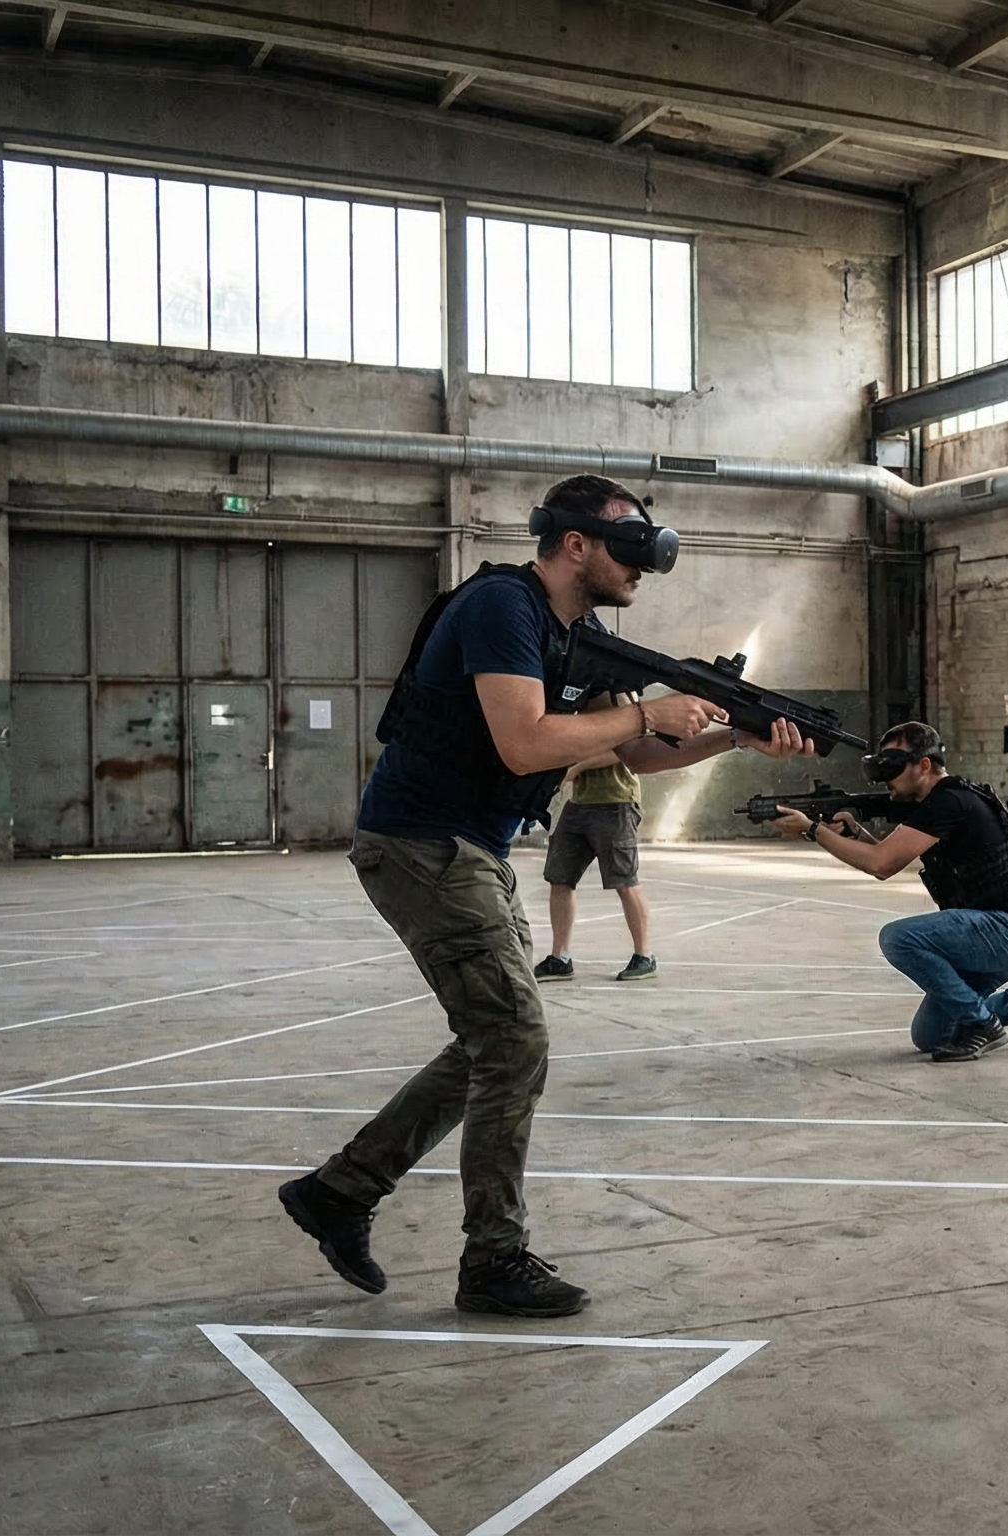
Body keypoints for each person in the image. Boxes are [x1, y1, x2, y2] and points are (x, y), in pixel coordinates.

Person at [275, 474, 809, 1319]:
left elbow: (631, 757)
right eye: (628, 549)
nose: (642, 569)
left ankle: (340, 1191)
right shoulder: (503, 609)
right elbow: (526, 743)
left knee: (493, 1041)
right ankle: (492, 1260)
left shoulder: (581, 633)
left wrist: (733, 739)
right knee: (514, 1038)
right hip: (422, 842)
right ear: (574, 546)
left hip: (472, 849)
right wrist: (647, 714)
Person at [767, 722, 1008, 1063]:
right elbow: (887, 858)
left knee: (898, 938)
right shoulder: (938, 802)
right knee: (931, 1035)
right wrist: (852, 833)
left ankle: (984, 1025)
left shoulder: (949, 802)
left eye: (895, 767)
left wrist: (813, 830)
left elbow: (881, 865)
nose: (888, 780)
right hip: (994, 930)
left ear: (925, 765)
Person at [534, 747, 654, 982]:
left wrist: (576, 767)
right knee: (560, 877)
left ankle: (645, 956)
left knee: (624, 881)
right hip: (576, 803)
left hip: (617, 803)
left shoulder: (623, 712)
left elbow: (624, 751)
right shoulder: (575, 715)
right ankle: (560, 958)